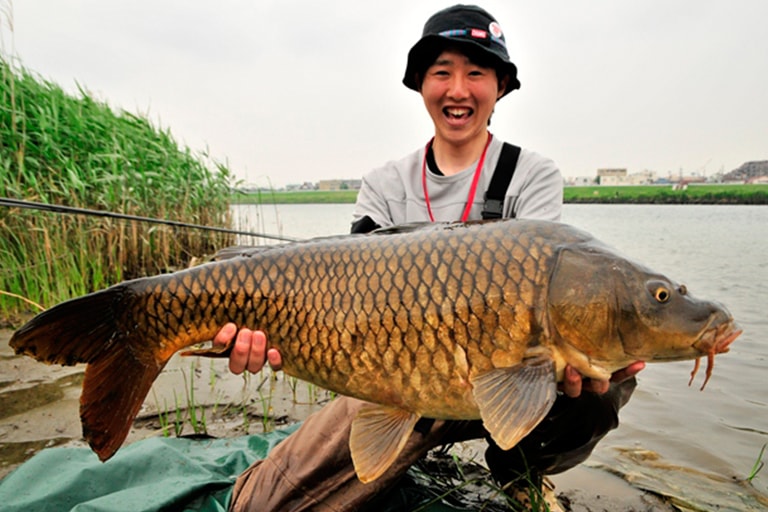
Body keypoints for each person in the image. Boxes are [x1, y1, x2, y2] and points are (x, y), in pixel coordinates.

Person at [221, 5, 645, 511]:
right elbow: (341, 298)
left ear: (501, 86)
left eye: (476, 73)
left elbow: (551, 288)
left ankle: (518, 470)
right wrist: (263, 333)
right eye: (442, 72)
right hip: (394, 371)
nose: (458, 89)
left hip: (504, 372)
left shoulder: (530, 175)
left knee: (596, 388)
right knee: (262, 505)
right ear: (421, 84)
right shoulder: (386, 184)